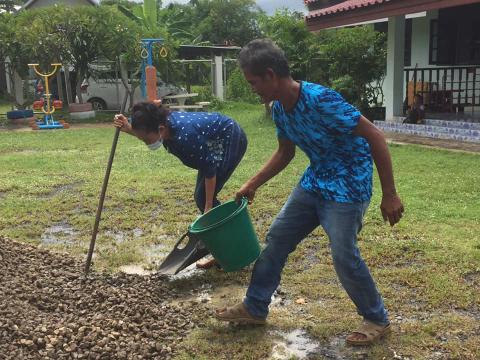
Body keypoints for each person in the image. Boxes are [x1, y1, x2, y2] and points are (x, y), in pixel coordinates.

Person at [215, 39, 405, 346]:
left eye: (253, 82)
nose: (252, 89)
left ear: (270, 74)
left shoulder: (321, 99)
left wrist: (390, 194)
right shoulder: (279, 109)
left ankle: (376, 318)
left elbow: (375, 136)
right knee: (277, 237)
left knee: (343, 254)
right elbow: (285, 152)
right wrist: (253, 182)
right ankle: (254, 306)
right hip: (315, 181)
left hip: (348, 186)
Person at [113, 101, 248, 268]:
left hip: (229, 138)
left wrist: (207, 209)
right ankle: (222, 247)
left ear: (161, 129)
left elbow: (210, 167)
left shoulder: (185, 137)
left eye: (145, 139)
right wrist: (128, 127)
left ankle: (232, 249)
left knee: (204, 198)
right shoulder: (162, 125)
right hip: (212, 142)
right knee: (202, 197)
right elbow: (149, 132)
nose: (145, 143)